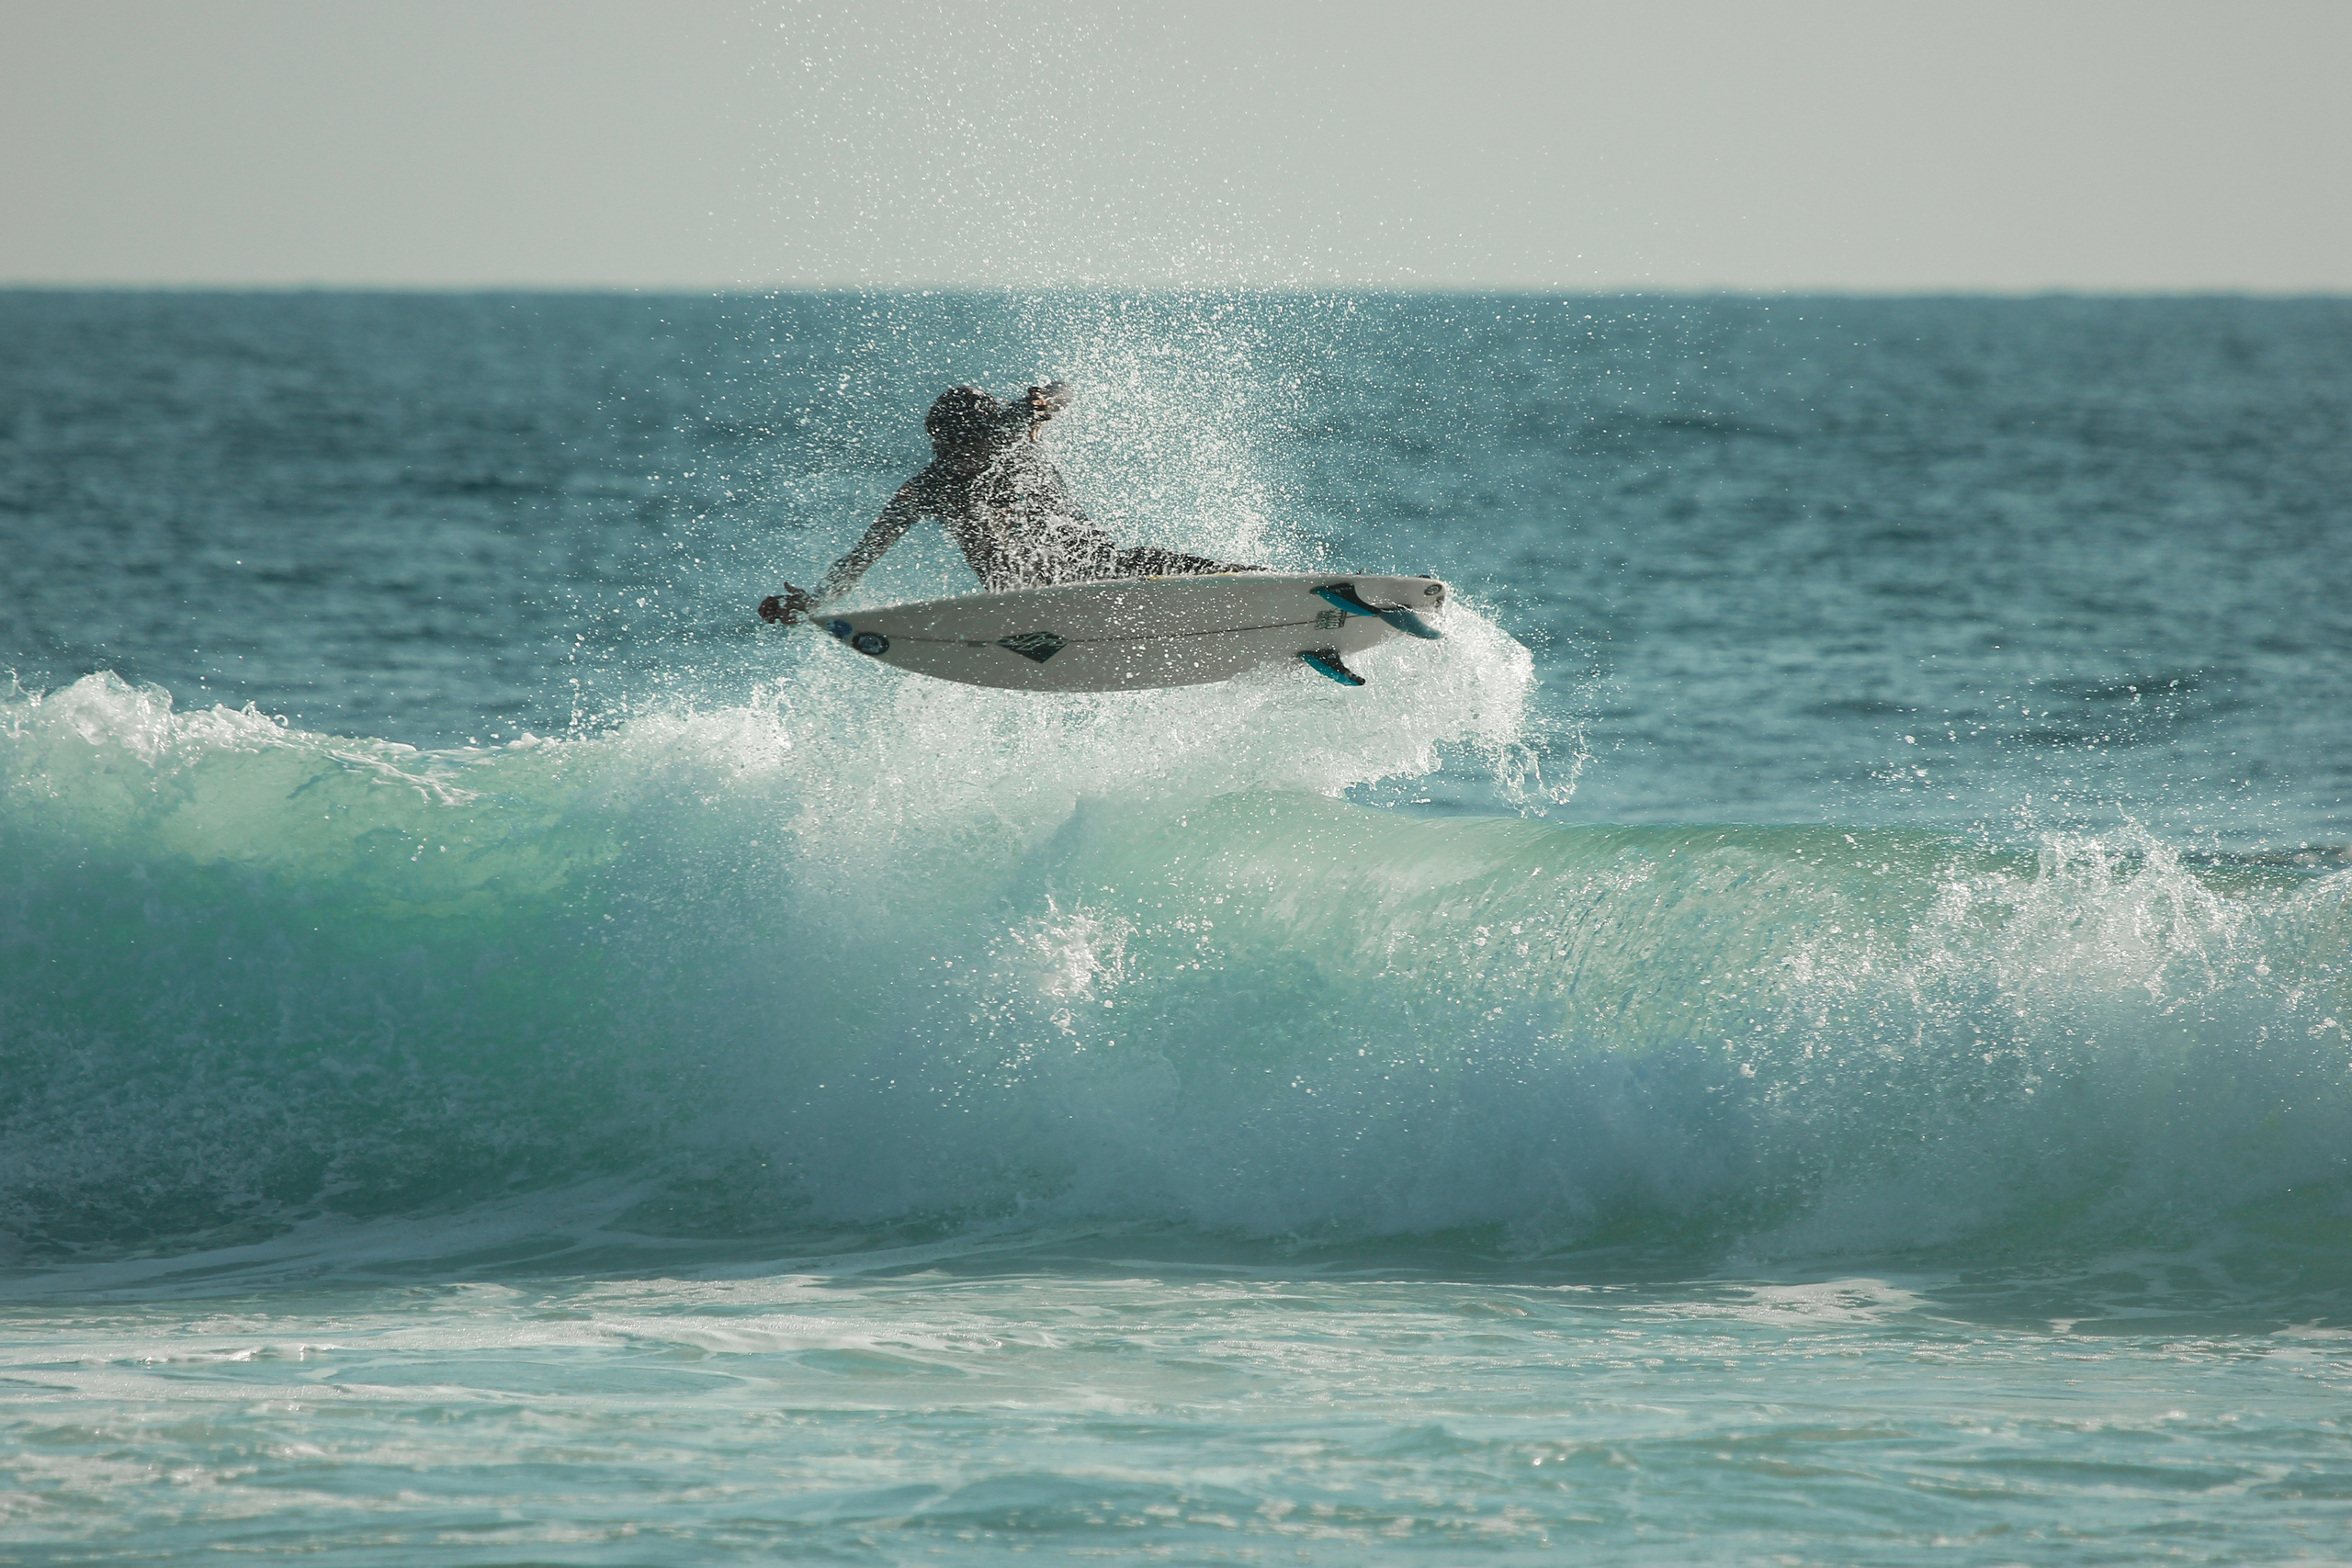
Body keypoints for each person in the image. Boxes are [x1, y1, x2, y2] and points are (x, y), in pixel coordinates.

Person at [759, 381, 1258, 625]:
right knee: (973, 515)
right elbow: (863, 555)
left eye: (960, 444)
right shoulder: (928, 487)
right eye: (940, 446)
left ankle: (1251, 581)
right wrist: (815, 600)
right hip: (1018, 594)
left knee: (1133, 560)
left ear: (985, 432)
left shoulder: (1013, 435)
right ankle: (1038, 606)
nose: (950, 456)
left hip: (1089, 563)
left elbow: (1061, 395)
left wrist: (1044, 400)